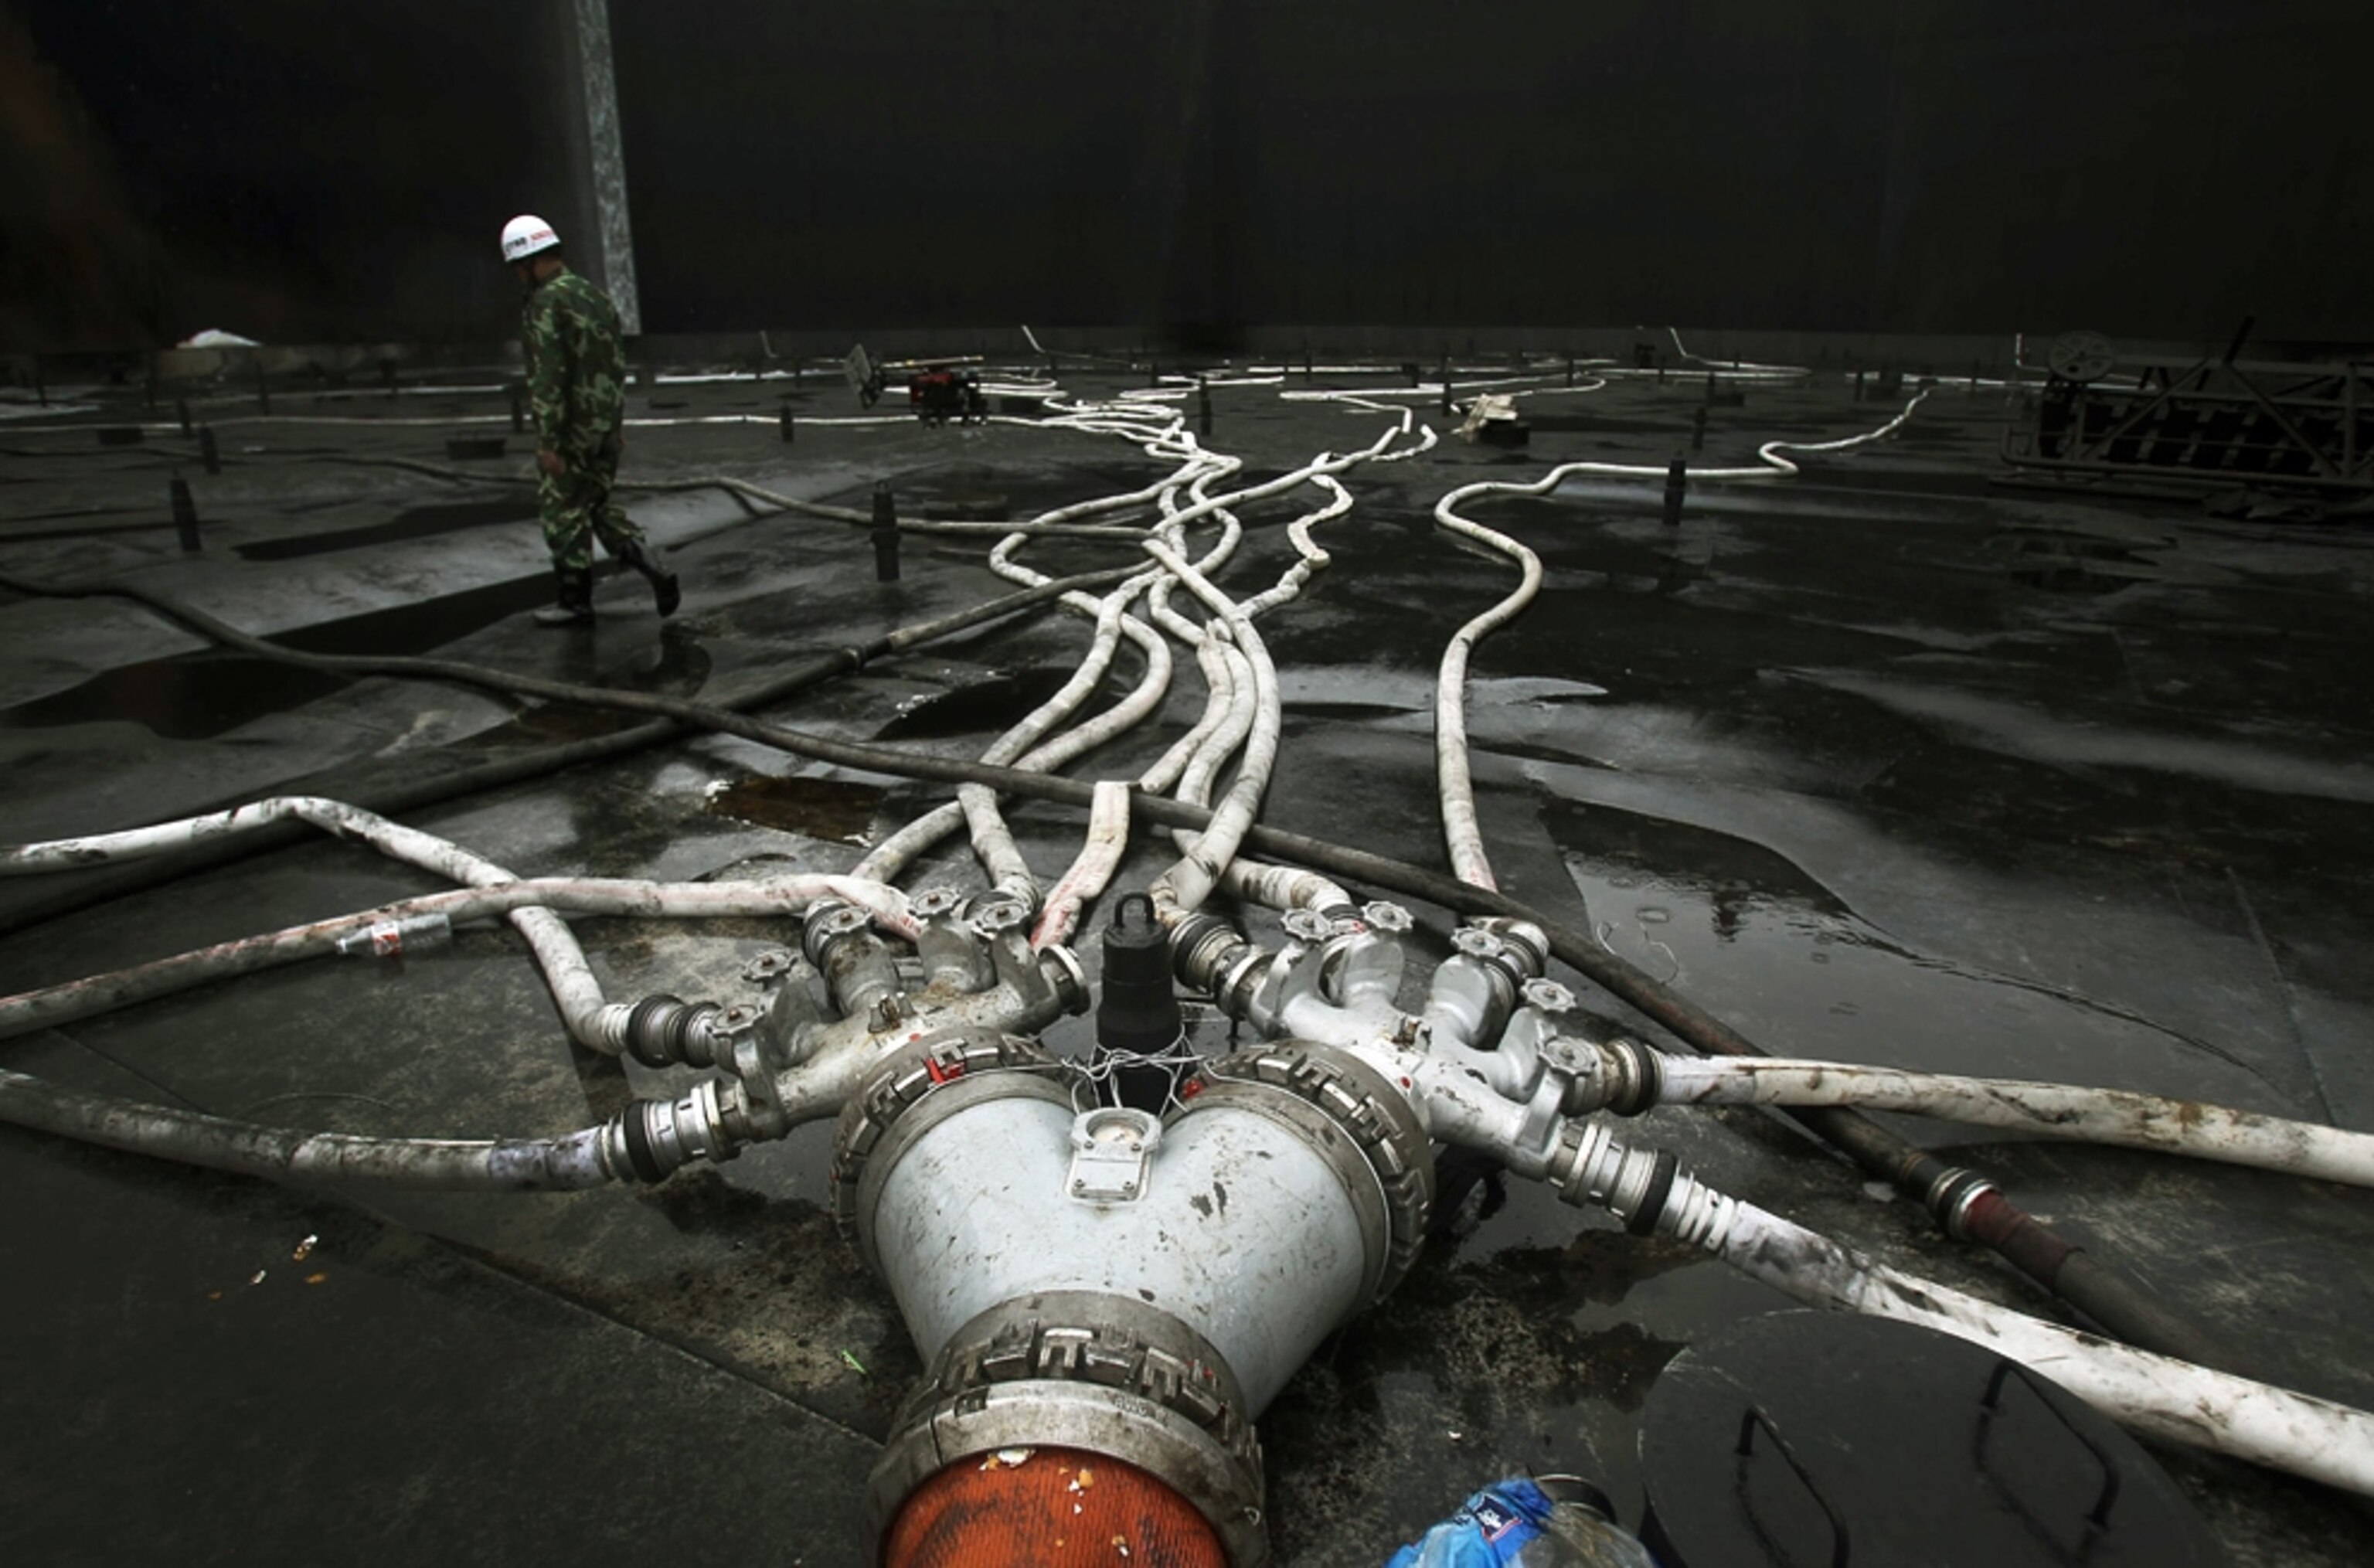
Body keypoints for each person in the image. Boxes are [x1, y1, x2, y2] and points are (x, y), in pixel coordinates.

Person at [500, 214, 679, 626]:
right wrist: (614, 427)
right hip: (602, 428)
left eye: (517, 268)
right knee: (595, 505)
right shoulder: (593, 296)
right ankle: (653, 566)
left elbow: (550, 377)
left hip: (570, 430)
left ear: (526, 261)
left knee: (563, 512)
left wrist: (548, 441)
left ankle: (575, 602)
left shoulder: (547, 303)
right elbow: (613, 364)